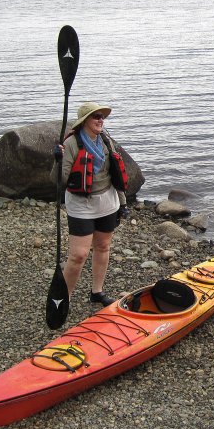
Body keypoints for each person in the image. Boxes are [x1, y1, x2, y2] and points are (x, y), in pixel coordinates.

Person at [52, 101, 129, 306]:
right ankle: (63, 299)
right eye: (96, 117)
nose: (100, 120)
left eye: (102, 117)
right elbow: (57, 181)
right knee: (78, 255)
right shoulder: (71, 144)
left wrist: (123, 204)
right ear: (85, 121)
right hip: (80, 204)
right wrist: (57, 161)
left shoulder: (105, 141)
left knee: (103, 246)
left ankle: (97, 292)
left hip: (107, 201)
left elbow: (116, 175)